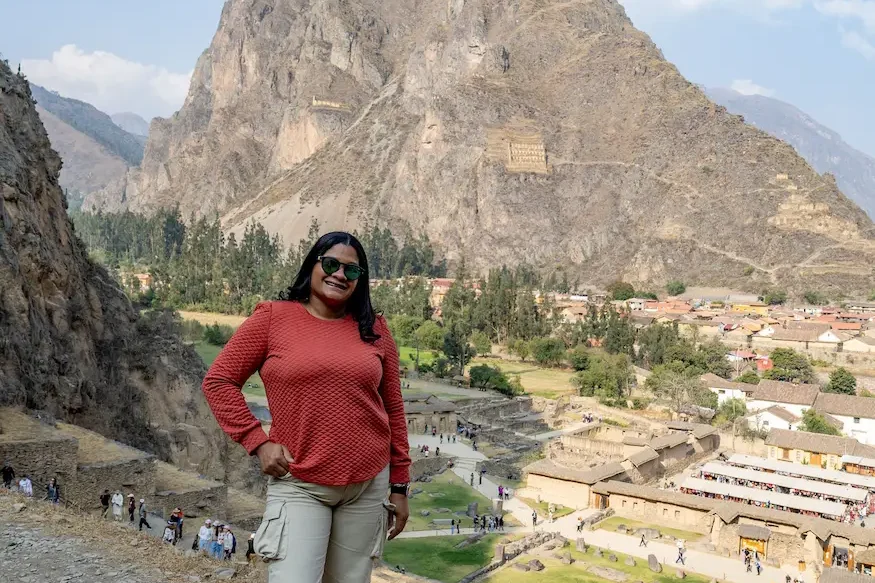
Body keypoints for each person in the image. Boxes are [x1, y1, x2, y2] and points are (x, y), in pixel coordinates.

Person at [202, 233, 411, 582]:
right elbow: (219, 381)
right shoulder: (272, 319)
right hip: (300, 482)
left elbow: (394, 408)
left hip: (367, 487)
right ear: (312, 265)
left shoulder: (375, 329)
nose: (340, 275)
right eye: (330, 264)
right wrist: (258, 441)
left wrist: (400, 486)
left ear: (360, 279)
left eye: (352, 270)